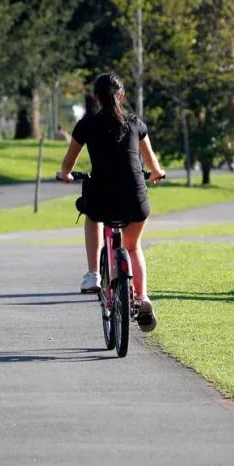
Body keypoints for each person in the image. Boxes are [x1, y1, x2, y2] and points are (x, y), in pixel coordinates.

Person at [57, 73, 167, 332]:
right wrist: (156, 174)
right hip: (134, 197)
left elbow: (69, 162)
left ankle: (93, 273)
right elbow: (151, 162)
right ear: (122, 95)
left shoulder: (87, 125)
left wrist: (65, 175)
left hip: (103, 195)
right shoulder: (135, 123)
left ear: (95, 97)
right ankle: (142, 297)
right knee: (133, 246)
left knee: (92, 214)